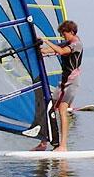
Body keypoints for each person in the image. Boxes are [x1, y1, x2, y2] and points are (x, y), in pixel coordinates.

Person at [32, 20, 83, 152]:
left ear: (72, 32)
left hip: (72, 82)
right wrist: (39, 48)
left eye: (64, 34)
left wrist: (46, 40)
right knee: (48, 108)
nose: (62, 36)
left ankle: (63, 145)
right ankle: (43, 142)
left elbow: (60, 51)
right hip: (63, 82)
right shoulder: (67, 42)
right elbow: (52, 49)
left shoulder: (77, 44)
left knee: (62, 110)